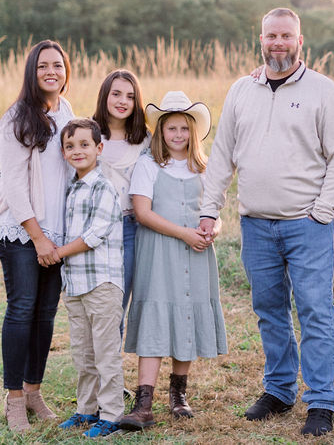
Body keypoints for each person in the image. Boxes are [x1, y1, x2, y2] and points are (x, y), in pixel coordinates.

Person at [199, 7, 334, 437]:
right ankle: (280, 389)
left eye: (287, 35)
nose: (278, 43)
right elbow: (223, 154)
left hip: (307, 224)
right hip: (256, 224)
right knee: (269, 311)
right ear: (261, 39)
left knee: (315, 312)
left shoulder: (324, 90)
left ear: (300, 41)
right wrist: (209, 209)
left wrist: (324, 210)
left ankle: (320, 401)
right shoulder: (241, 90)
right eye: (271, 36)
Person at [119, 91, 228, 431]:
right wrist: (183, 233)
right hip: (160, 249)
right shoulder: (149, 165)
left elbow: (214, 212)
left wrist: (213, 230)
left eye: (184, 129)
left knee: (186, 314)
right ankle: (143, 402)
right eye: (171, 129)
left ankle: (178, 394)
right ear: (161, 132)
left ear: (192, 132)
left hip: (196, 253)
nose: (178, 135)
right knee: (155, 315)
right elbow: (142, 212)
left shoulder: (204, 168)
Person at [0, 39, 74, 433]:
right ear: (31, 72)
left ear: (66, 70)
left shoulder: (68, 111)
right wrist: (38, 238)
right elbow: (17, 188)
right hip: (20, 229)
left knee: (46, 313)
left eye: (57, 65)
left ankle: (34, 391)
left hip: (56, 231)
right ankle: (14, 400)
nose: (51, 72)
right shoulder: (17, 118)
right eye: (42, 66)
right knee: (22, 309)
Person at [53, 118, 126, 438]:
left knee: (105, 352)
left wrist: (58, 253)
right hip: (75, 284)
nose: (77, 151)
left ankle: (111, 413)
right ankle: (86, 408)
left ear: (99, 148)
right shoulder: (69, 186)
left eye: (84, 145)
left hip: (102, 283)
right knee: (83, 352)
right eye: (70, 146)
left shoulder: (103, 187)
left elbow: (94, 235)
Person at [90, 70, 151, 325]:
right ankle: (92, 362)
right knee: (94, 299)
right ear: (105, 95)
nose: (122, 101)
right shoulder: (88, 133)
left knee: (118, 302)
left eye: (130, 96)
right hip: (94, 227)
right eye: (116, 94)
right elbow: (58, 164)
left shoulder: (144, 139)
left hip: (129, 228)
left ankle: (110, 363)